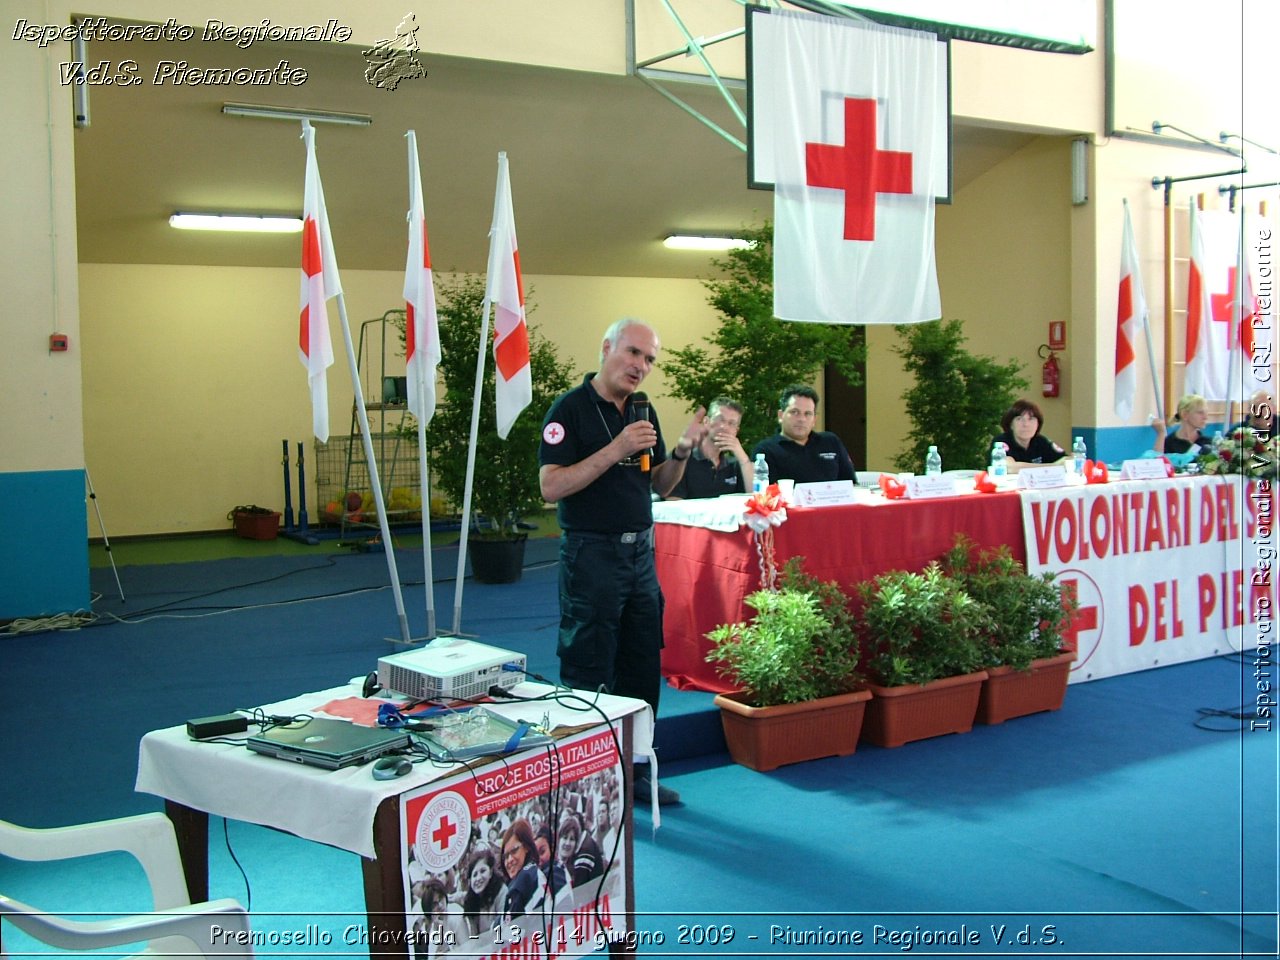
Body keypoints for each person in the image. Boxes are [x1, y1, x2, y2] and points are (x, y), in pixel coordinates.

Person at [539, 317, 703, 807]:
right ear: (606, 346)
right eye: (633, 353)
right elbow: (550, 487)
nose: (641, 366)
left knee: (640, 664)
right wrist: (616, 449)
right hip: (592, 554)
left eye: (650, 359)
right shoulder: (569, 410)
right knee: (589, 665)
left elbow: (660, 485)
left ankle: (637, 773)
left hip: (640, 555)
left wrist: (680, 452)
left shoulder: (642, 408)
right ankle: (584, 782)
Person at [751, 384, 854, 483]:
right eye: (795, 412)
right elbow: (767, 495)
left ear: (814, 419)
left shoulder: (830, 442)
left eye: (807, 414)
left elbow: (851, 484)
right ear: (781, 415)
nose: (801, 419)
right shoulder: (766, 451)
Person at [665, 396, 753, 499]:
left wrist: (743, 458)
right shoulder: (682, 459)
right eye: (720, 420)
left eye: (731, 423)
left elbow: (756, 498)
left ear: (736, 431)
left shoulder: (734, 465)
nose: (724, 427)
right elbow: (672, 504)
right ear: (706, 422)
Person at [499, 819, 548, 920]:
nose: (509, 860)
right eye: (506, 856)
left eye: (514, 851)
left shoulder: (524, 878)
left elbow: (512, 931)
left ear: (526, 847)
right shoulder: (535, 872)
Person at [993, 399, 1065, 463]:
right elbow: (1008, 467)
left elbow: (1066, 460)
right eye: (1019, 419)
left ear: (1038, 424)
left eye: (1031, 419)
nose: (1026, 424)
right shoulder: (1001, 442)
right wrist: (1051, 467)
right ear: (1011, 424)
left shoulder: (1041, 441)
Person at [459, 846, 506, 938]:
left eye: (483, 871)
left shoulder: (501, 891)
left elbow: (504, 926)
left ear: (491, 872)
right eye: (475, 875)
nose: (478, 878)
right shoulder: (471, 902)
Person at [557, 811, 605, 891]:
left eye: (572, 839)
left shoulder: (583, 855)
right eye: (565, 838)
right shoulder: (583, 845)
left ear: (577, 841)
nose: (567, 843)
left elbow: (579, 895)